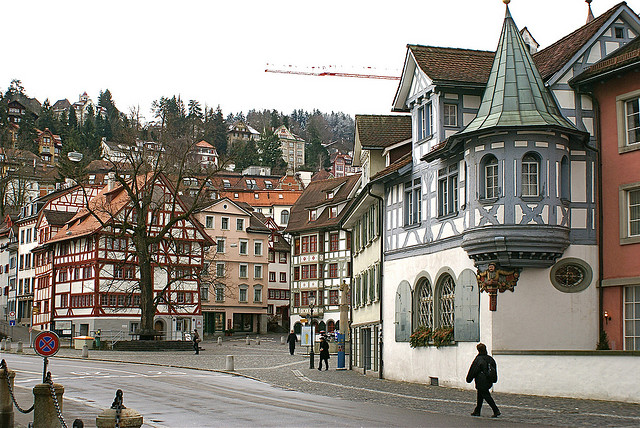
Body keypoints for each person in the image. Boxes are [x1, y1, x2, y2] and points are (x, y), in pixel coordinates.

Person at [466, 343, 500, 417]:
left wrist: (469, 378)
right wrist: (494, 379)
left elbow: (473, 370)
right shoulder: (490, 359)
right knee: (480, 395)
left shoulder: (478, 359)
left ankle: (496, 410)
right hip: (488, 380)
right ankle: (477, 411)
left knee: (486, 395)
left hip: (481, 380)